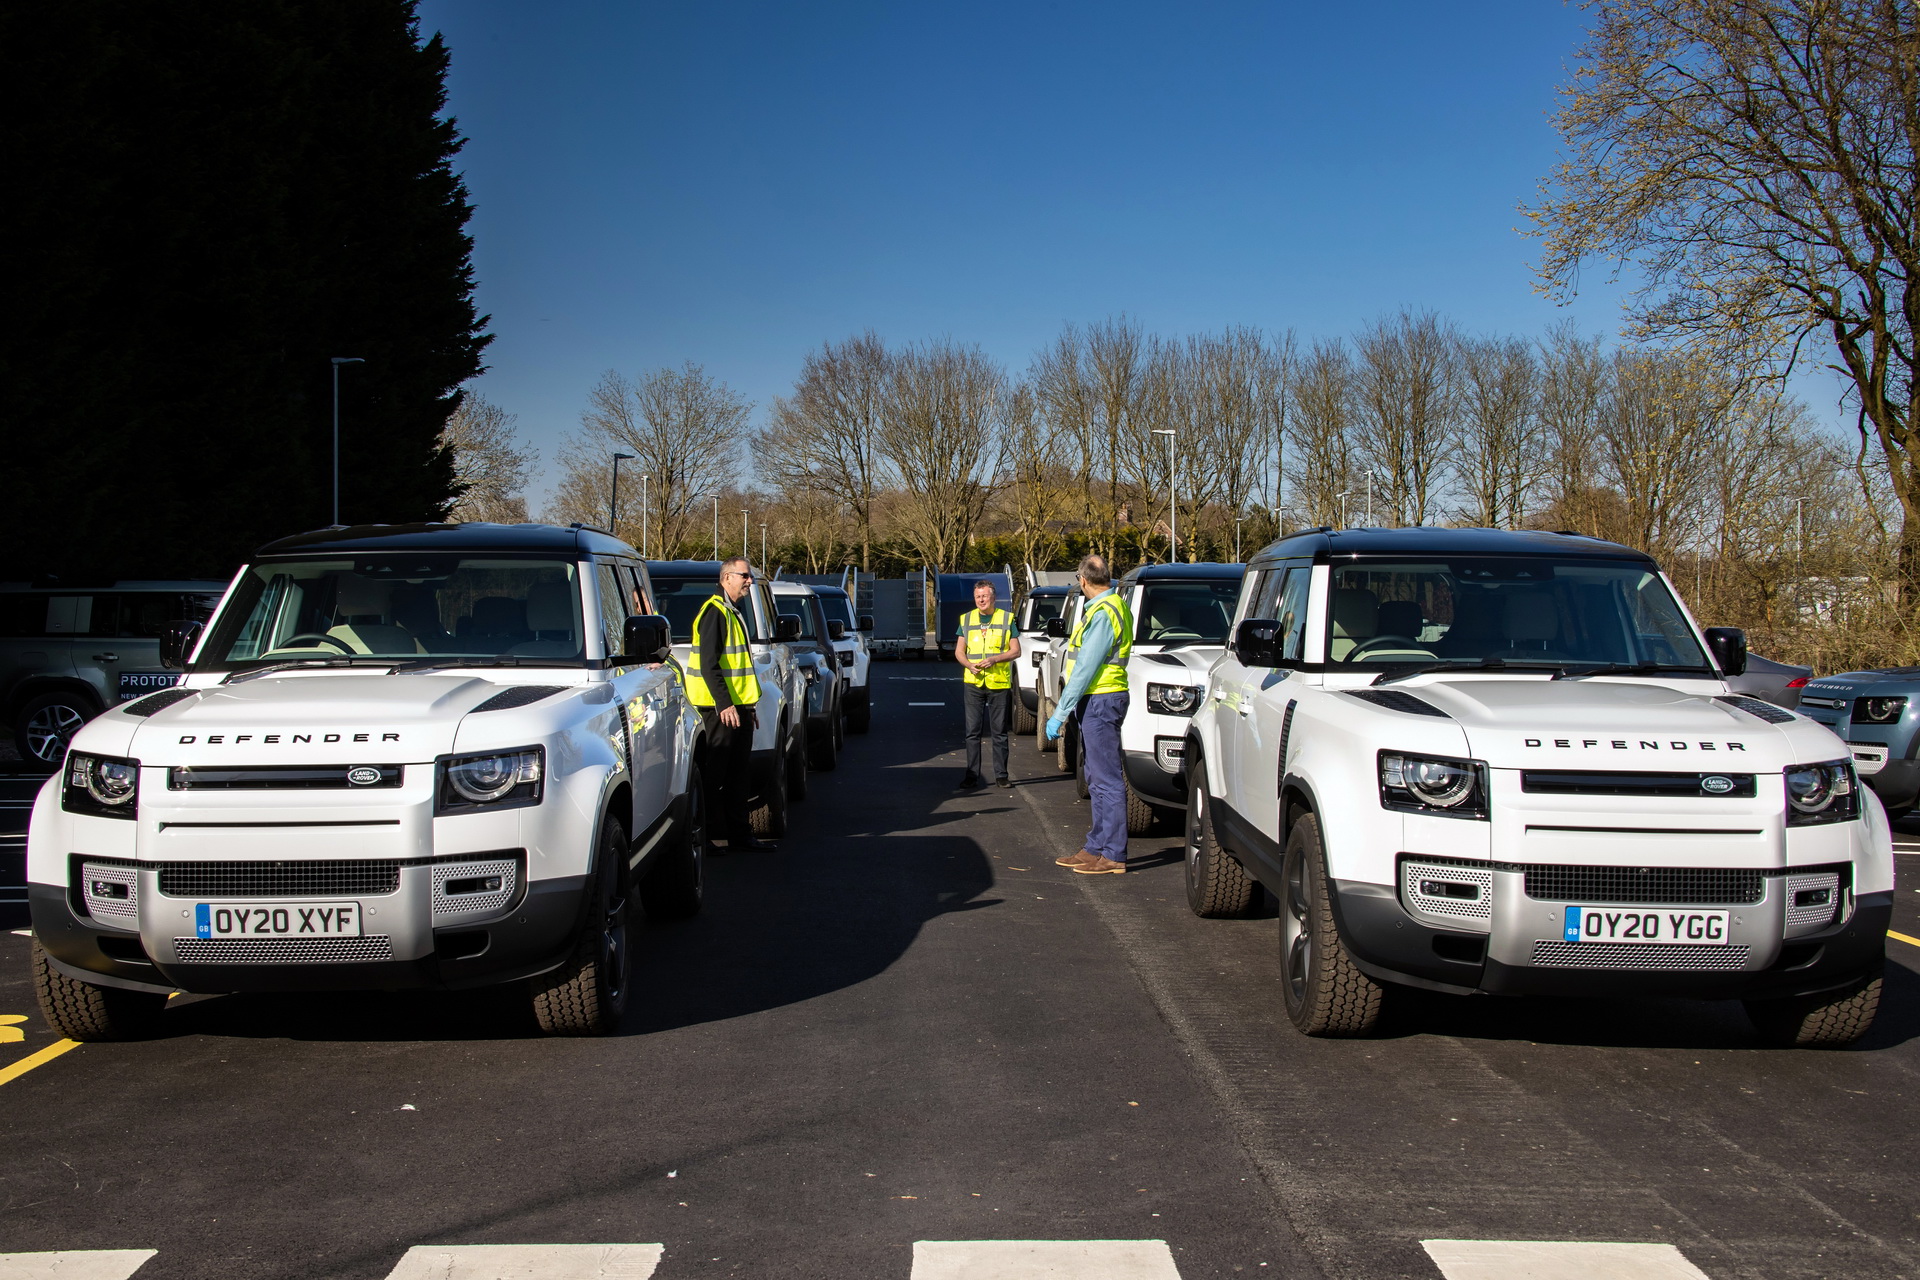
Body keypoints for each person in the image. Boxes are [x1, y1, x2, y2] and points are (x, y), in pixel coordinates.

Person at [1045, 555, 1133, 874]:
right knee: (1096, 776)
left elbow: (1085, 668)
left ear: (1082, 580)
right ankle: (1096, 846)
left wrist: (1060, 713)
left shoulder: (1105, 611)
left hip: (1100, 697)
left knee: (1106, 778)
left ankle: (1112, 854)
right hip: (1099, 697)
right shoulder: (1106, 607)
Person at [689, 557, 776, 851]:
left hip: (737, 709)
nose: (749, 581)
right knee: (714, 776)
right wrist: (725, 704)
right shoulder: (714, 612)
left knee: (739, 773)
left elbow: (739, 668)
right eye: (745, 576)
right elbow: (708, 665)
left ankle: (741, 836)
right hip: (718, 711)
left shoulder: (732, 611)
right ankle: (709, 838)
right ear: (727, 577)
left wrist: (747, 709)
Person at [953, 579, 1020, 790]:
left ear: (993, 597)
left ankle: (1001, 776)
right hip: (973, 682)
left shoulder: (1007, 618)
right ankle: (972, 775)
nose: (981, 600)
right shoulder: (966, 619)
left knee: (999, 732)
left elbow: (1015, 651)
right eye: (978, 597)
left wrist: (994, 659)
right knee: (972, 731)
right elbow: (959, 651)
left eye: (985, 596)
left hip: (998, 682)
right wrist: (969, 665)